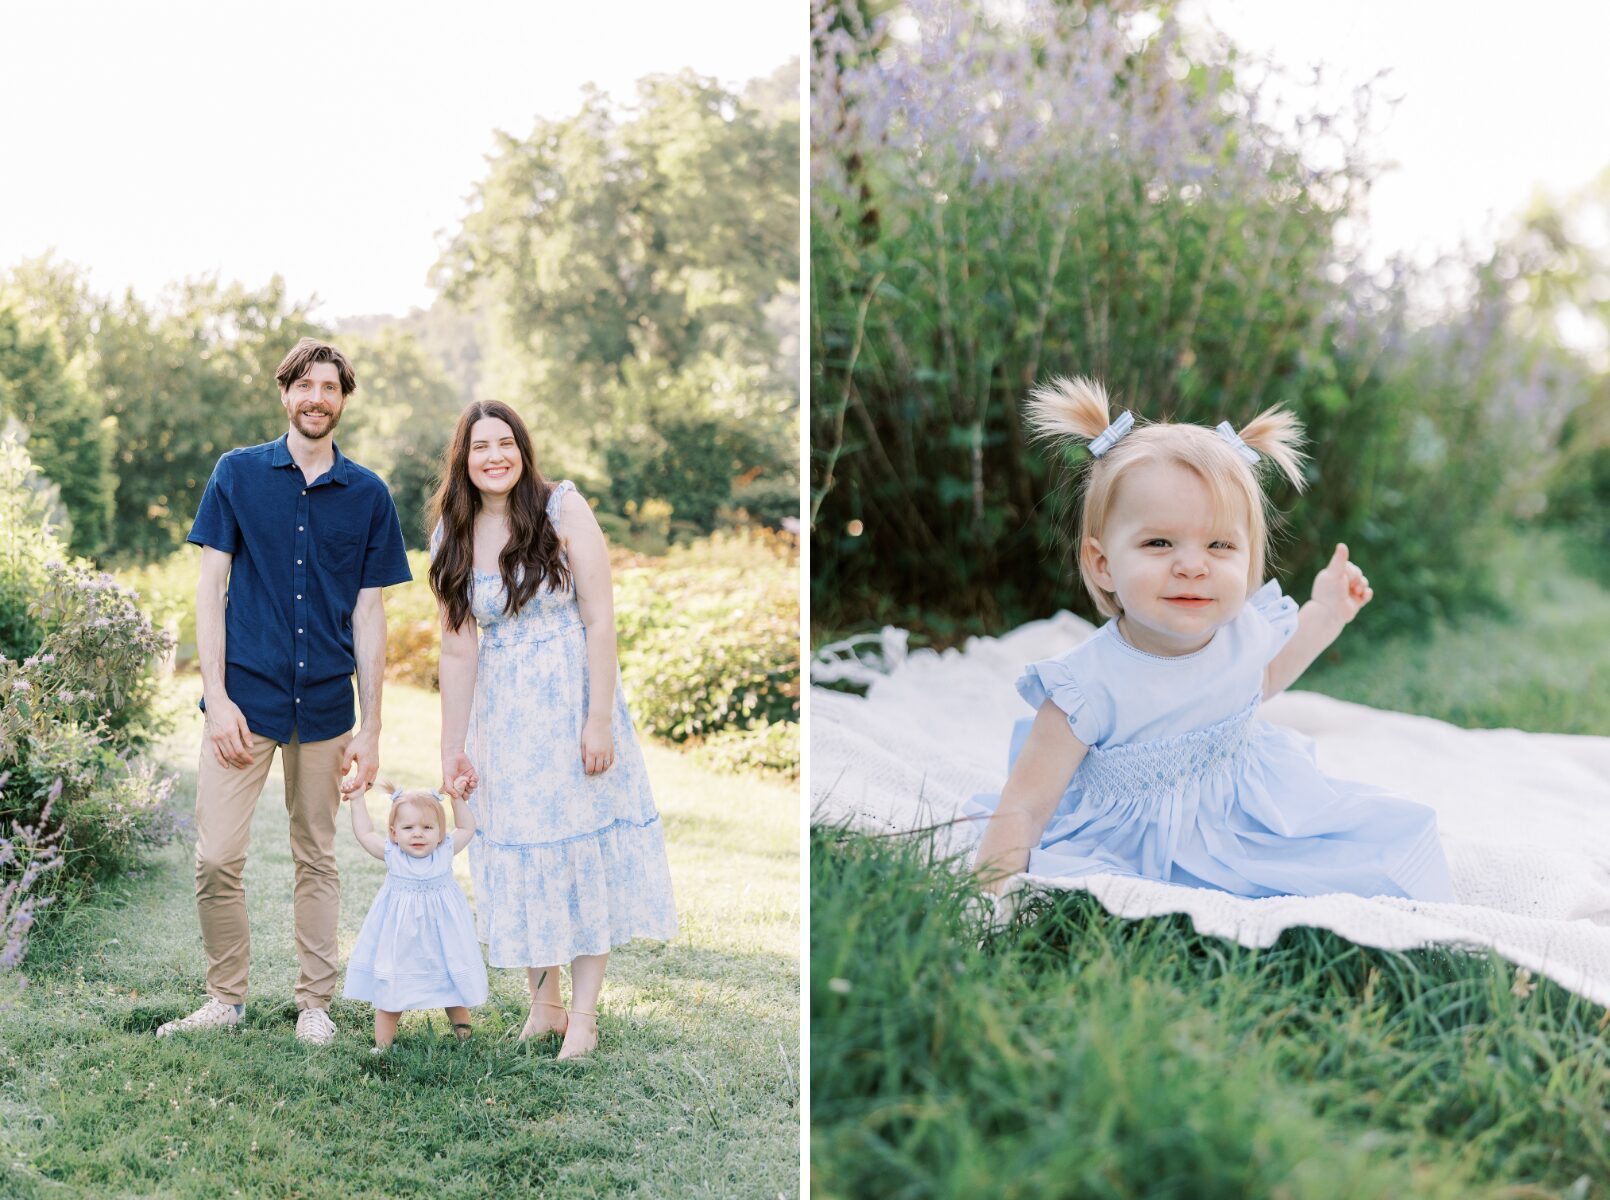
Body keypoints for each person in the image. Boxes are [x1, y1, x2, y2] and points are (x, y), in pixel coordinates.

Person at [969, 376, 1456, 903]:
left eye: (1220, 544)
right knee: (1110, 901)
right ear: (1102, 563)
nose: (1192, 566)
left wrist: (1328, 611)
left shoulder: (1241, 631)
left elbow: (1264, 678)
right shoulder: (1083, 687)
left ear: (1250, 558)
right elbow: (1025, 807)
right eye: (1159, 542)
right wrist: (988, 898)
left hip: (1242, 822)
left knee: (1380, 847)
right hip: (1129, 848)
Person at [157, 339, 413, 1046]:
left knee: (316, 854)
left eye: (329, 388)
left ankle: (314, 1005)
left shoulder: (369, 495)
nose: (316, 398)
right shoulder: (236, 475)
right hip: (246, 703)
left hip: (327, 707)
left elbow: (369, 614)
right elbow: (211, 589)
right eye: (304, 385)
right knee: (216, 857)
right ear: (284, 393)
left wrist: (372, 727)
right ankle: (225, 999)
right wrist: (217, 697)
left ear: (343, 400)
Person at [430, 400, 677, 1059]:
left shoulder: (562, 508)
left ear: (522, 449)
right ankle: (546, 1006)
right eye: (480, 447)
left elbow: (601, 619)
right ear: (464, 459)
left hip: (572, 705)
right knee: (519, 850)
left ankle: (587, 1015)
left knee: (579, 852)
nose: (494, 457)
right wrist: (453, 747)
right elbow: (458, 651)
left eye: (504, 443)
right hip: (505, 720)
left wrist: (599, 721)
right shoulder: (453, 534)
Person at [342, 782, 488, 1049]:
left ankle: (466, 1040)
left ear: (440, 833)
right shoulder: (392, 854)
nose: (418, 834)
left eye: (427, 828)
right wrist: (358, 799)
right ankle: (382, 1046)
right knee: (391, 994)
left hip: (442, 940)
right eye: (408, 828)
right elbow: (364, 833)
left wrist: (457, 799)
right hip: (401, 944)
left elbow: (467, 828)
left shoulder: (444, 851)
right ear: (394, 833)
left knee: (453, 990)